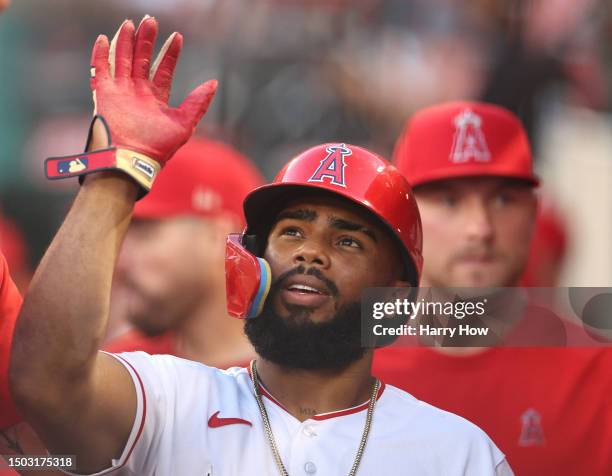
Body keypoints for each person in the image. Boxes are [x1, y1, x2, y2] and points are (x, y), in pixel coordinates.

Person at [9, 18, 513, 475]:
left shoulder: (458, 454)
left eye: (347, 241)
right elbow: (44, 383)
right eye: (292, 231)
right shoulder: (172, 398)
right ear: (251, 262)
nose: (310, 253)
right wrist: (113, 178)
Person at [374, 101, 612, 476]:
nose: (480, 228)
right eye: (449, 200)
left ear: (534, 212)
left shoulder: (600, 375)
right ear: (403, 219)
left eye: (503, 199)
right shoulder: (346, 370)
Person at [105, 137, 263, 369]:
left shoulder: (307, 383)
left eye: (145, 234)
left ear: (219, 236)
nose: (120, 263)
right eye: (121, 236)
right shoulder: (127, 370)